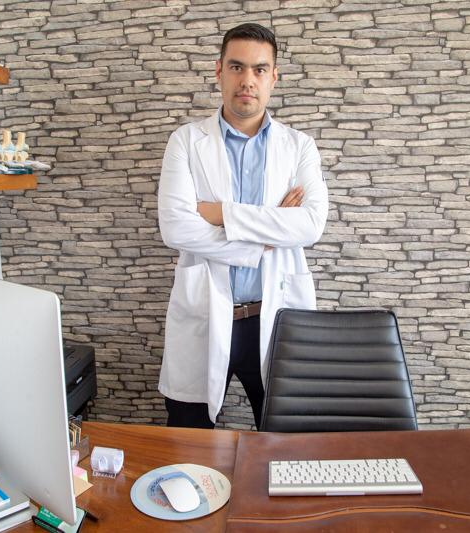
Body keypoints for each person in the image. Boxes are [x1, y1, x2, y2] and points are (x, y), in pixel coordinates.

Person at [157, 23, 329, 429]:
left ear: (274, 77)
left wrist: (221, 213)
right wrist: (263, 241)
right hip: (204, 313)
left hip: (277, 315)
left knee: (285, 442)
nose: (247, 80)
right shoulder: (186, 141)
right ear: (219, 71)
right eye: (236, 67)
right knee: (188, 439)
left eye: (259, 69)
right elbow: (176, 227)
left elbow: (310, 224)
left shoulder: (299, 146)